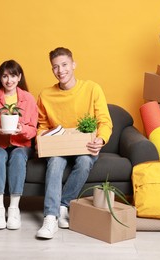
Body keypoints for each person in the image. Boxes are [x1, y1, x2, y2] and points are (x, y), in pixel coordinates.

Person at [36, 47, 113, 239]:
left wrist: (100, 139)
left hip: (84, 145)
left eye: (64, 65)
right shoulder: (45, 95)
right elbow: (42, 125)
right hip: (58, 146)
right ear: (52, 70)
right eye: (55, 67)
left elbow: (104, 120)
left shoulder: (92, 88)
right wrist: (40, 140)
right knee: (54, 163)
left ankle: (64, 205)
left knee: (85, 161)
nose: (60, 71)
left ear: (73, 65)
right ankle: (51, 218)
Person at [0, 60, 38, 230]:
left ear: (19, 77)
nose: (9, 80)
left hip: (21, 144)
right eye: (5, 76)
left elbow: (33, 129)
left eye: (13, 75)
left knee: (19, 156)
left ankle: (14, 208)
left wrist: (22, 130)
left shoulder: (28, 98)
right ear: (0, 78)